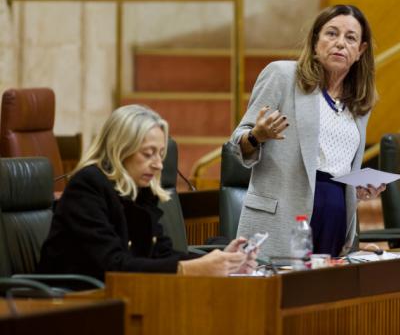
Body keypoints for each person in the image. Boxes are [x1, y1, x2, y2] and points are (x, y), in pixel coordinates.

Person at [228, 4, 386, 259]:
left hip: (335, 216)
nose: (340, 43)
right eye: (331, 34)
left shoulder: (359, 103)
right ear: (315, 42)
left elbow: (339, 167)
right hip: (283, 218)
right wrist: (257, 136)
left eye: (350, 38)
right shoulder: (282, 76)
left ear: (361, 51)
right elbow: (237, 145)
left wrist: (356, 191)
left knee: (326, 295)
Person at [38, 104, 256, 280]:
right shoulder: (87, 186)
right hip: (74, 304)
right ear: (120, 150)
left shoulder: (139, 191)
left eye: (160, 154)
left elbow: (161, 253)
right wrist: (192, 269)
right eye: (148, 153)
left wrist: (221, 258)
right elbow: (112, 265)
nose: (158, 165)